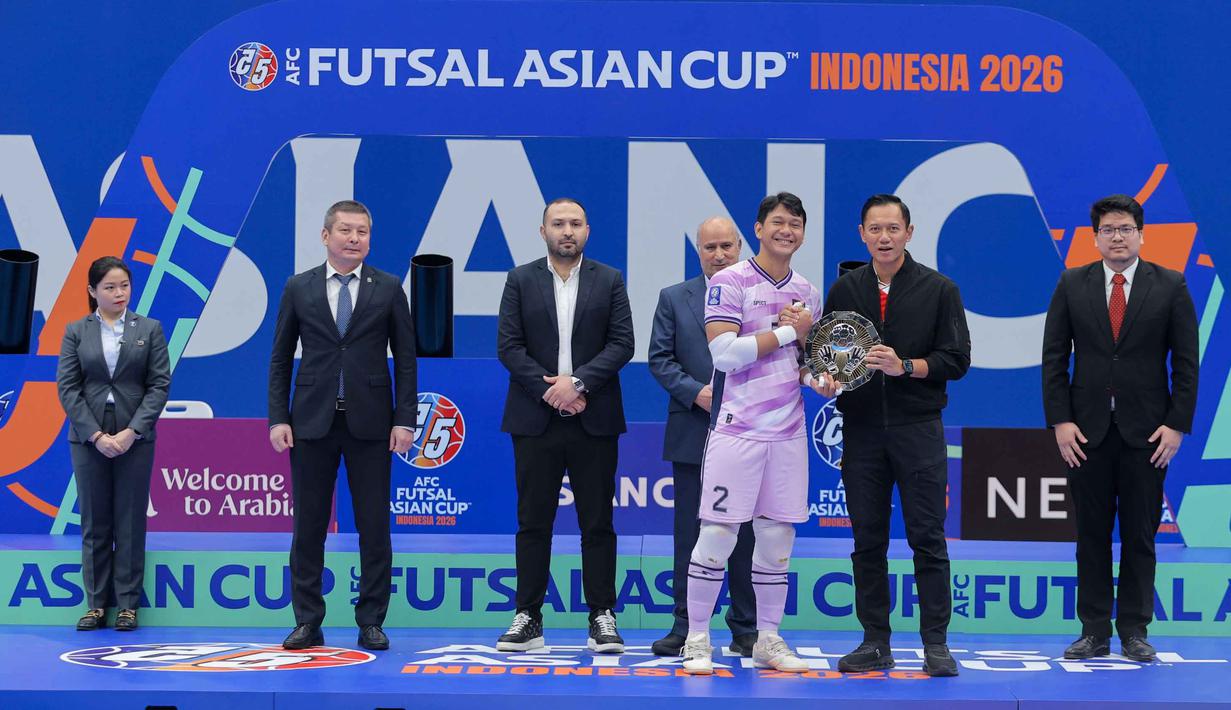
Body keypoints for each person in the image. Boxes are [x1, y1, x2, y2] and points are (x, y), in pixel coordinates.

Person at [681, 192, 836, 675]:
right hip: (737, 431)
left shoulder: (807, 290)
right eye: (777, 223)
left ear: (803, 233)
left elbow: (801, 362)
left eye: (795, 224)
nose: (786, 230)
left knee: (777, 540)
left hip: (788, 434)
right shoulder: (729, 282)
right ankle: (697, 638)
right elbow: (724, 354)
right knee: (717, 535)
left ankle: (768, 638)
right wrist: (791, 331)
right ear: (759, 228)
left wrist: (821, 380)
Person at [1042, 194, 1198, 663]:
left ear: (1141, 234)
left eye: (1125, 228)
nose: (1117, 236)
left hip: (1148, 434)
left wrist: (1176, 425)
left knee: (1140, 534)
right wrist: (1061, 421)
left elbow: (1186, 364)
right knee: (1090, 534)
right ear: (1095, 238)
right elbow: (1054, 359)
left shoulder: (1170, 285)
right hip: (1085, 433)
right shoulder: (1072, 283)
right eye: (1108, 229)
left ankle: (1134, 631)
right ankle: (1093, 631)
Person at [824, 194, 970, 677]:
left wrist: (906, 366)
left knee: (928, 539)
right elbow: (828, 354)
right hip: (862, 430)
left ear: (909, 232)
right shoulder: (845, 288)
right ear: (861, 234)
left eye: (893, 229)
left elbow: (957, 360)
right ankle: (874, 641)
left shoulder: (939, 288)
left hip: (918, 429)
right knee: (867, 541)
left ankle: (936, 644)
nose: (884, 238)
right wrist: (827, 374)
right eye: (874, 229)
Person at [268, 199, 417, 651]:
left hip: (371, 424)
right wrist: (278, 418)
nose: (355, 239)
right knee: (308, 527)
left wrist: (405, 420)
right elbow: (279, 360)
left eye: (363, 232)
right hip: (310, 423)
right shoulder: (299, 287)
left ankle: (371, 619)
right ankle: (307, 620)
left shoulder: (389, 287)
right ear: (325, 235)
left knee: (375, 526)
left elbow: (406, 362)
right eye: (347, 231)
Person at [495, 197, 634, 654]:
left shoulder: (610, 280)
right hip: (535, 419)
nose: (567, 231)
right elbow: (509, 347)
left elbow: (622, 343)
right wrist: (550, 390)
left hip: (594, 418)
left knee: (598, 523)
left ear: (587, 231)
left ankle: (601, 616)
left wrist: (578, 384)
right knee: (533, 523)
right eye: (558, 224)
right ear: (543, 231)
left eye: (575, 223)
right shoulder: (519, 280)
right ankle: (528, 616)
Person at [648, 217, 757, 658]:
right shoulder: (674, 298)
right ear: (699, 251)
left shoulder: (760, 295)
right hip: (695, 429)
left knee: (745, 535)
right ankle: (685, 626)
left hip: (752, 432)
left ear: (739, 247)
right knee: (690, 534)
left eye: (726, 246)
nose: (719, 254)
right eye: (710, 247)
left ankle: (746, 628)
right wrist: (698, 393)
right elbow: (660, 359)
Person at [57, 256, 171, 632]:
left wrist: (131, 432)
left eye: (124, 285)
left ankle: (127, 605)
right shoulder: (76, 331)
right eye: (109, 287)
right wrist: (95, 435)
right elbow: (68, 388)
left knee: (130, 520)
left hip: (134, 438)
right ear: (92, 291)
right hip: (88, 438)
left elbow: (158, 386)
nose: (118, 293)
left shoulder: (150, 329)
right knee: (94, 521)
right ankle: (95, 605)